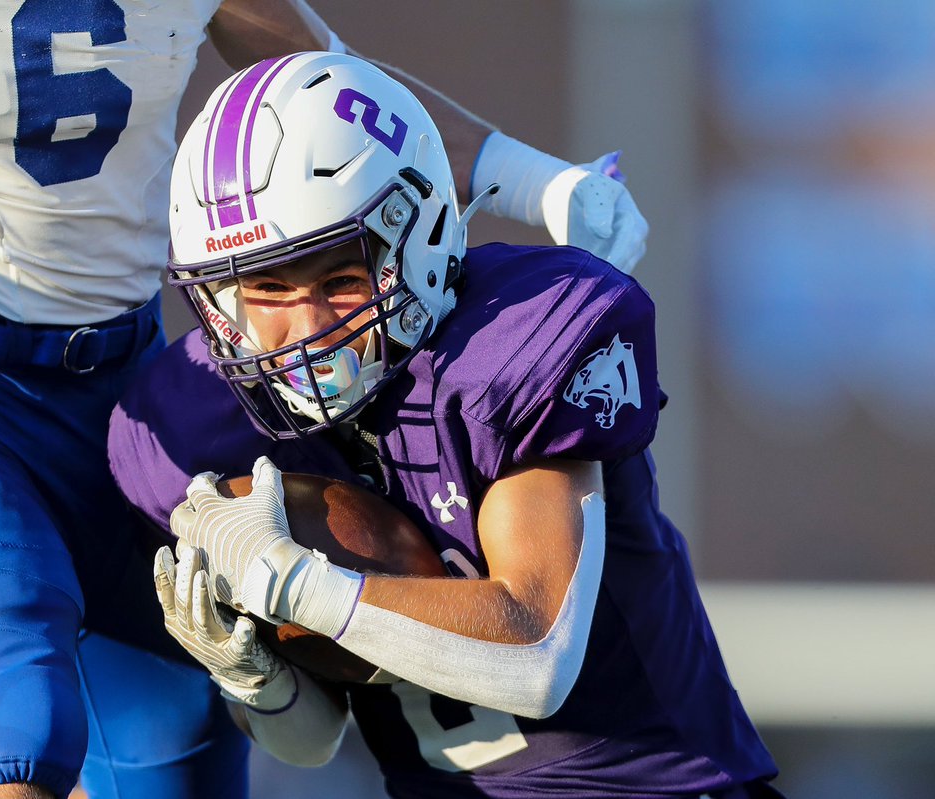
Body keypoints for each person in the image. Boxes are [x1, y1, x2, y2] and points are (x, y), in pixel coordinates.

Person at [0, 2, 646, 798]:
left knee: (178, 756)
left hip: (127, 393)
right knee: (16, 728)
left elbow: (346, 105)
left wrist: (538, 181)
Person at [108, 51, 783, 798]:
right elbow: (316, 738)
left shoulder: (512, 346)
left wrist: (293, 582)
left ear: (418, 238)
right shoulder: (190, 422)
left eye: (338, 279)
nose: (305, 331)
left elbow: (534, 652)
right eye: (266, 288)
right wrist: (258, 681)